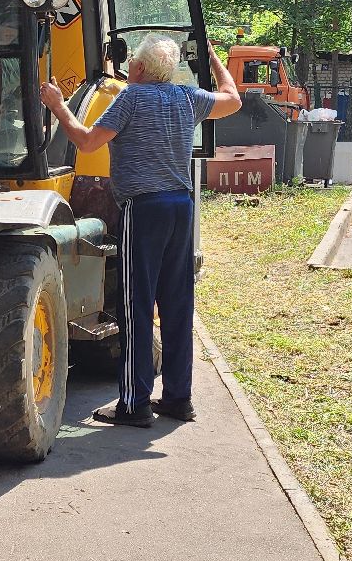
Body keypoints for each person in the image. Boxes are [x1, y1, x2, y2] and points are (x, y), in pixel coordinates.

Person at [39, 37, 242, 427]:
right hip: (182, 209)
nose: (128, 63)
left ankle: (134, 404)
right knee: (178, 304)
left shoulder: (131, 99)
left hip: (143, 210)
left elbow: (85, 142)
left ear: (141, 70)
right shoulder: (188, 98)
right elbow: (232, 98)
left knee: (136, 306)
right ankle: (179, 398)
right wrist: (214, 58)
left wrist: (58, 106)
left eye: (132, 60)